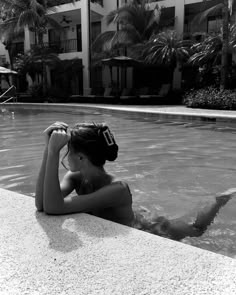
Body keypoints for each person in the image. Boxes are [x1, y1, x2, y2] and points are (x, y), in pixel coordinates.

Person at [35, 121, 236, 241]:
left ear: (81, 158)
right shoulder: (75, 177)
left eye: (67, 152)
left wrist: (53, 152)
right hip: (131, 217)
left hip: (149, 227)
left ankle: (218, 200)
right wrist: (47, 149)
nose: (64, 155)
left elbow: (53, 207)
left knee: (196, 230)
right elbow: (42, 203)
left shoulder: (117, 189)